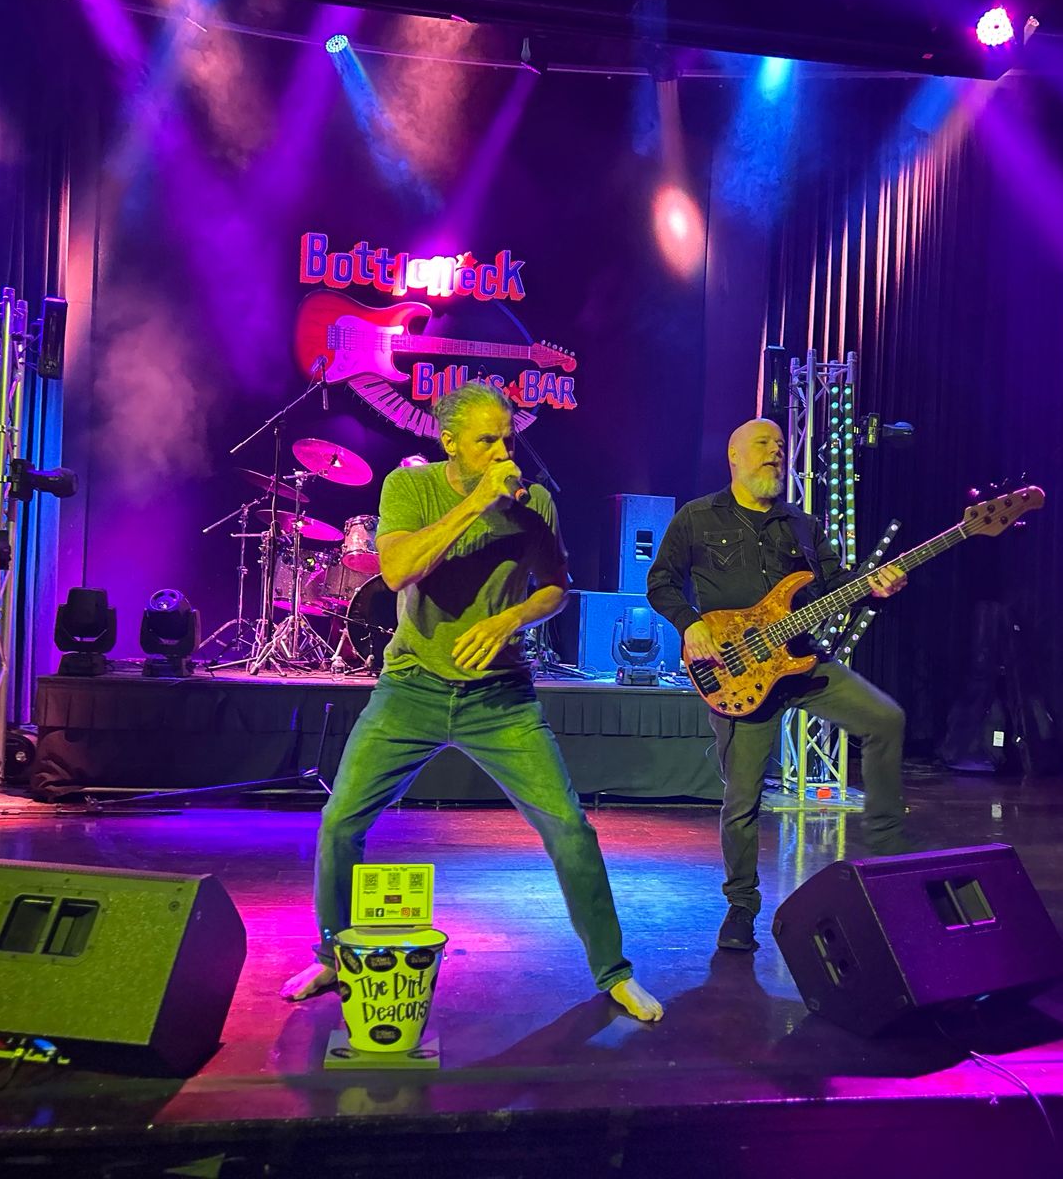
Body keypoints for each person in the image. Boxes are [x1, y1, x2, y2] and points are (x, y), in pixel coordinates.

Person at [280, 382, 662, 1021]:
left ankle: (613, 972)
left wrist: (510, 618)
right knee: (341, 821)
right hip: (412, 688)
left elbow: (557, 588)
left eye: (507, 439)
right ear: (450, 441)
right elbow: (397, 570)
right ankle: (331, 956)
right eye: (488, 441)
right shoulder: (412, 487)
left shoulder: (535, 501)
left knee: (570, 829)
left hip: (501, 697)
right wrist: (478, 501)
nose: (503, 452)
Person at [646, 418, 910, 952]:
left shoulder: (803, 526)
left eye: (782, 446)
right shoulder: (697, 517)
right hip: (738, 672)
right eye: (763, 445)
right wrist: (690, 624)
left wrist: (874, 587)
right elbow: (661, 582)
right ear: (733, 455)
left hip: (802, 663)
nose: (776, 453)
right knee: (742, 800)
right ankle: (741, 907)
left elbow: (835, 587)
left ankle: (889, 853)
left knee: (886, 719)